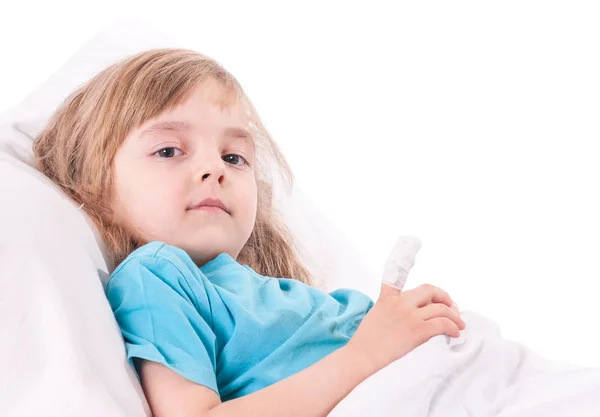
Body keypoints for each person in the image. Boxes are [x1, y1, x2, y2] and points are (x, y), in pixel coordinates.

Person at [32, 48, 465, 417]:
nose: (214, 169)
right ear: (93, 182)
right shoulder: (156, 278)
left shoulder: (282, 295)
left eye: (234, 157)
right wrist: (367, 353)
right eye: (168, 150)